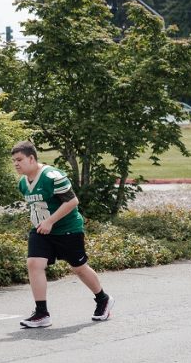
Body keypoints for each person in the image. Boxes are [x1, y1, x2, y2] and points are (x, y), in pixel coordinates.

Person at [11, 141, 114, 329]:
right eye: (14, 161)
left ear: (32, 158)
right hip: (41, 230)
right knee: (34, 264)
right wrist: (42, 223)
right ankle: (42, 313)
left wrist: (50, 221)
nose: (16, 164)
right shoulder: (22, 183)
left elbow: (73, 201)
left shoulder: (53, 176)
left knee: (79, 268)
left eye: (20, 160)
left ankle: (103, 299)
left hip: (67, 229)